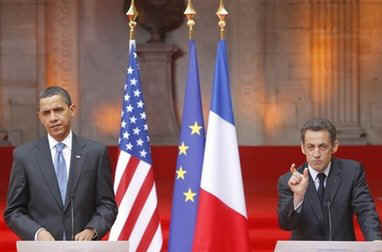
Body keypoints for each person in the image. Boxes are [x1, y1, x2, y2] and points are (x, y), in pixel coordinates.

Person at [4, 86, 118, 241]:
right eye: (46, 113)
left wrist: (92, 230)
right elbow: (13, 212)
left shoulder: (95, 153)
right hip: (42, 250)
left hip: (84, 249)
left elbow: (107, 205)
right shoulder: (25, 156)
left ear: (71, 110)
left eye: (58, 110)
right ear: (40, 117)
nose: (53, 118)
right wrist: (38, 233)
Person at [277, 118, 382, 241]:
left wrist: (376, 242)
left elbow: (365, 210)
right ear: (302, 148)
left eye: (323, 147)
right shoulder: (288, 181)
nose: (316, 154)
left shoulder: (352, 171)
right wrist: (298, 196)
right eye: (311, 147)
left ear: (334, 146)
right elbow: (286, 224)